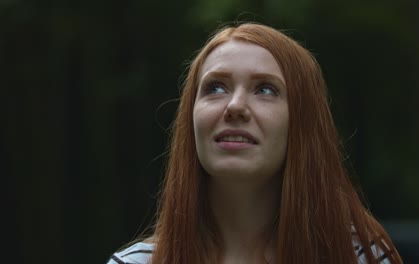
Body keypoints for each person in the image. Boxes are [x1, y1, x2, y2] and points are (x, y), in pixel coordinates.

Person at [107, 22, 402, 264]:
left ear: (302, 122)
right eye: (216, 87)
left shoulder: (358, 257)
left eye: (265, 89)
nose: (235, 106)